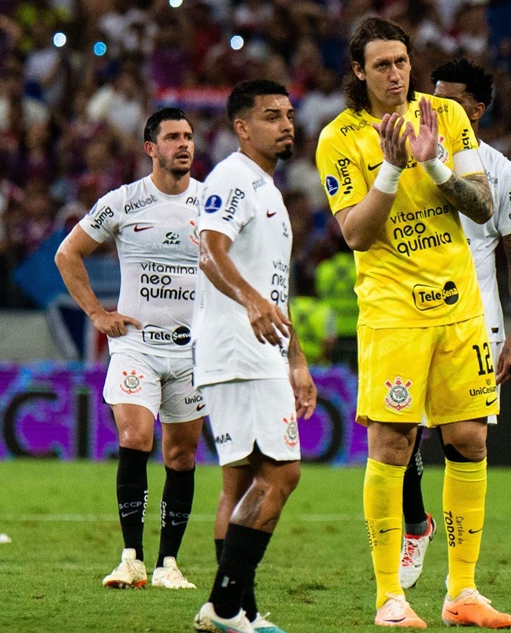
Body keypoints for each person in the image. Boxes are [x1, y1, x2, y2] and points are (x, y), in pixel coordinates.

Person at [316, 18, 511, 628]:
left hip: (459, 308)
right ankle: (391, 599)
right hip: (394, 312)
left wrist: (435, 167)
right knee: (394, 445)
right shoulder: (339, 138)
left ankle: (462, 592)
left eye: (402, 61)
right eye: (382, 65)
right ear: (358, 72)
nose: (396, 74)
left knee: (470, 440)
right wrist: (392, 169)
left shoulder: (445, 118)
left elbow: (483, 206)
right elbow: (355, 232)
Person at [395, 57, 511, 590]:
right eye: (428, 98)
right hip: (411, 315)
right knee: (401, 435)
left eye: (445, 101)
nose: (429, 108)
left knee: (464, 442)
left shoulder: (501, 172)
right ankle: (414, 523)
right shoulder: (404, 157)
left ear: (474, 110)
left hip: (475, 324)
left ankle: (462, 580)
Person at [54, 108, 206, 590]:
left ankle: (169, 566)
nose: (184, 145)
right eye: (173, 138)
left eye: (188, 137)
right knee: (136, 437)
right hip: (134, 346)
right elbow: (67, 253)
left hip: (191, 352)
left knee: (182, 457)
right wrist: (98, 315)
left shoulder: (212, 202)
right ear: (151, 149)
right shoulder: (123, 201)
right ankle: (131, 559)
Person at [192, 79, 316, 633]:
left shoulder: (267, 187)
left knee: (240, 483)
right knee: (282, 473)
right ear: (242, 127)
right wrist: (249, 304)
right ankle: (222, 608)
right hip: (239, 350)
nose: (286, 123)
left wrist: (297, 359)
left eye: (288, 114)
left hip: (260, 351)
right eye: (271, 116)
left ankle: (240, 610)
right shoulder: (233, 178)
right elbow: (208, 251)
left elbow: (275, 287)